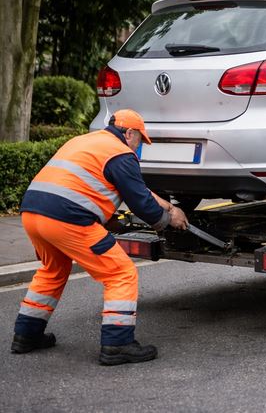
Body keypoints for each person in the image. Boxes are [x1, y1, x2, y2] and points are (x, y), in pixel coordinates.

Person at [10, 109, 188, 365]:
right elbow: (141, 201)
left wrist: (165, 208)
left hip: (33, 213)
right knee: (121, 273)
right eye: (140, 141)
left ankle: (26, 335)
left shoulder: (85, 141)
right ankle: (118, 344)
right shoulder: (121, 154)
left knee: (53, 269)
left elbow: (91, 185)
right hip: (68, 218)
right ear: (129, 133)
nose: (140, 148)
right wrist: (167, 219)